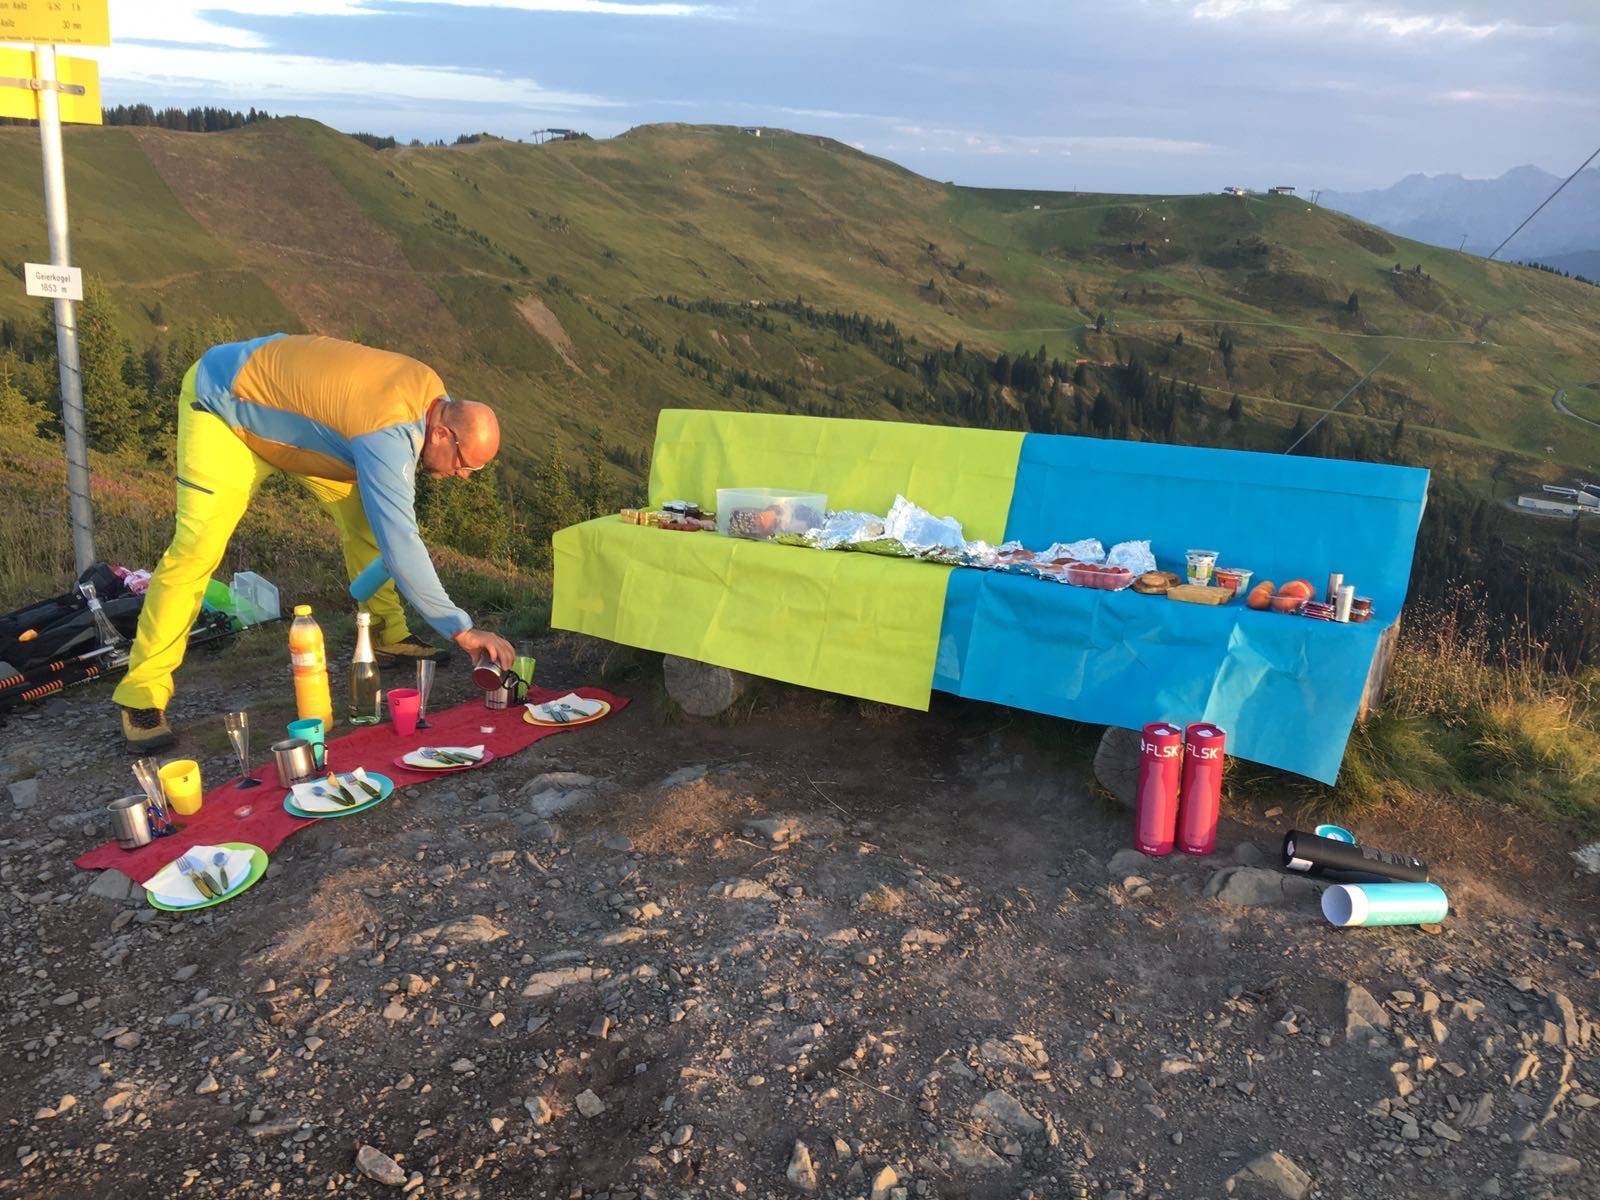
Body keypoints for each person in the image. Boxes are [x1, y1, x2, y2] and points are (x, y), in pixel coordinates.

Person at [114, 333, 516, 752]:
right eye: (466, 464)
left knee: (367, 526)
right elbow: (402, 543)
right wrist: (462, 631)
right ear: (440, 435)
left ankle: (384, 633)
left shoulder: (432, 393)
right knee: (195, 551)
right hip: (223, 410)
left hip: (308, 433)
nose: (464, 476)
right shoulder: (387, 433)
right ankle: (141, 694)